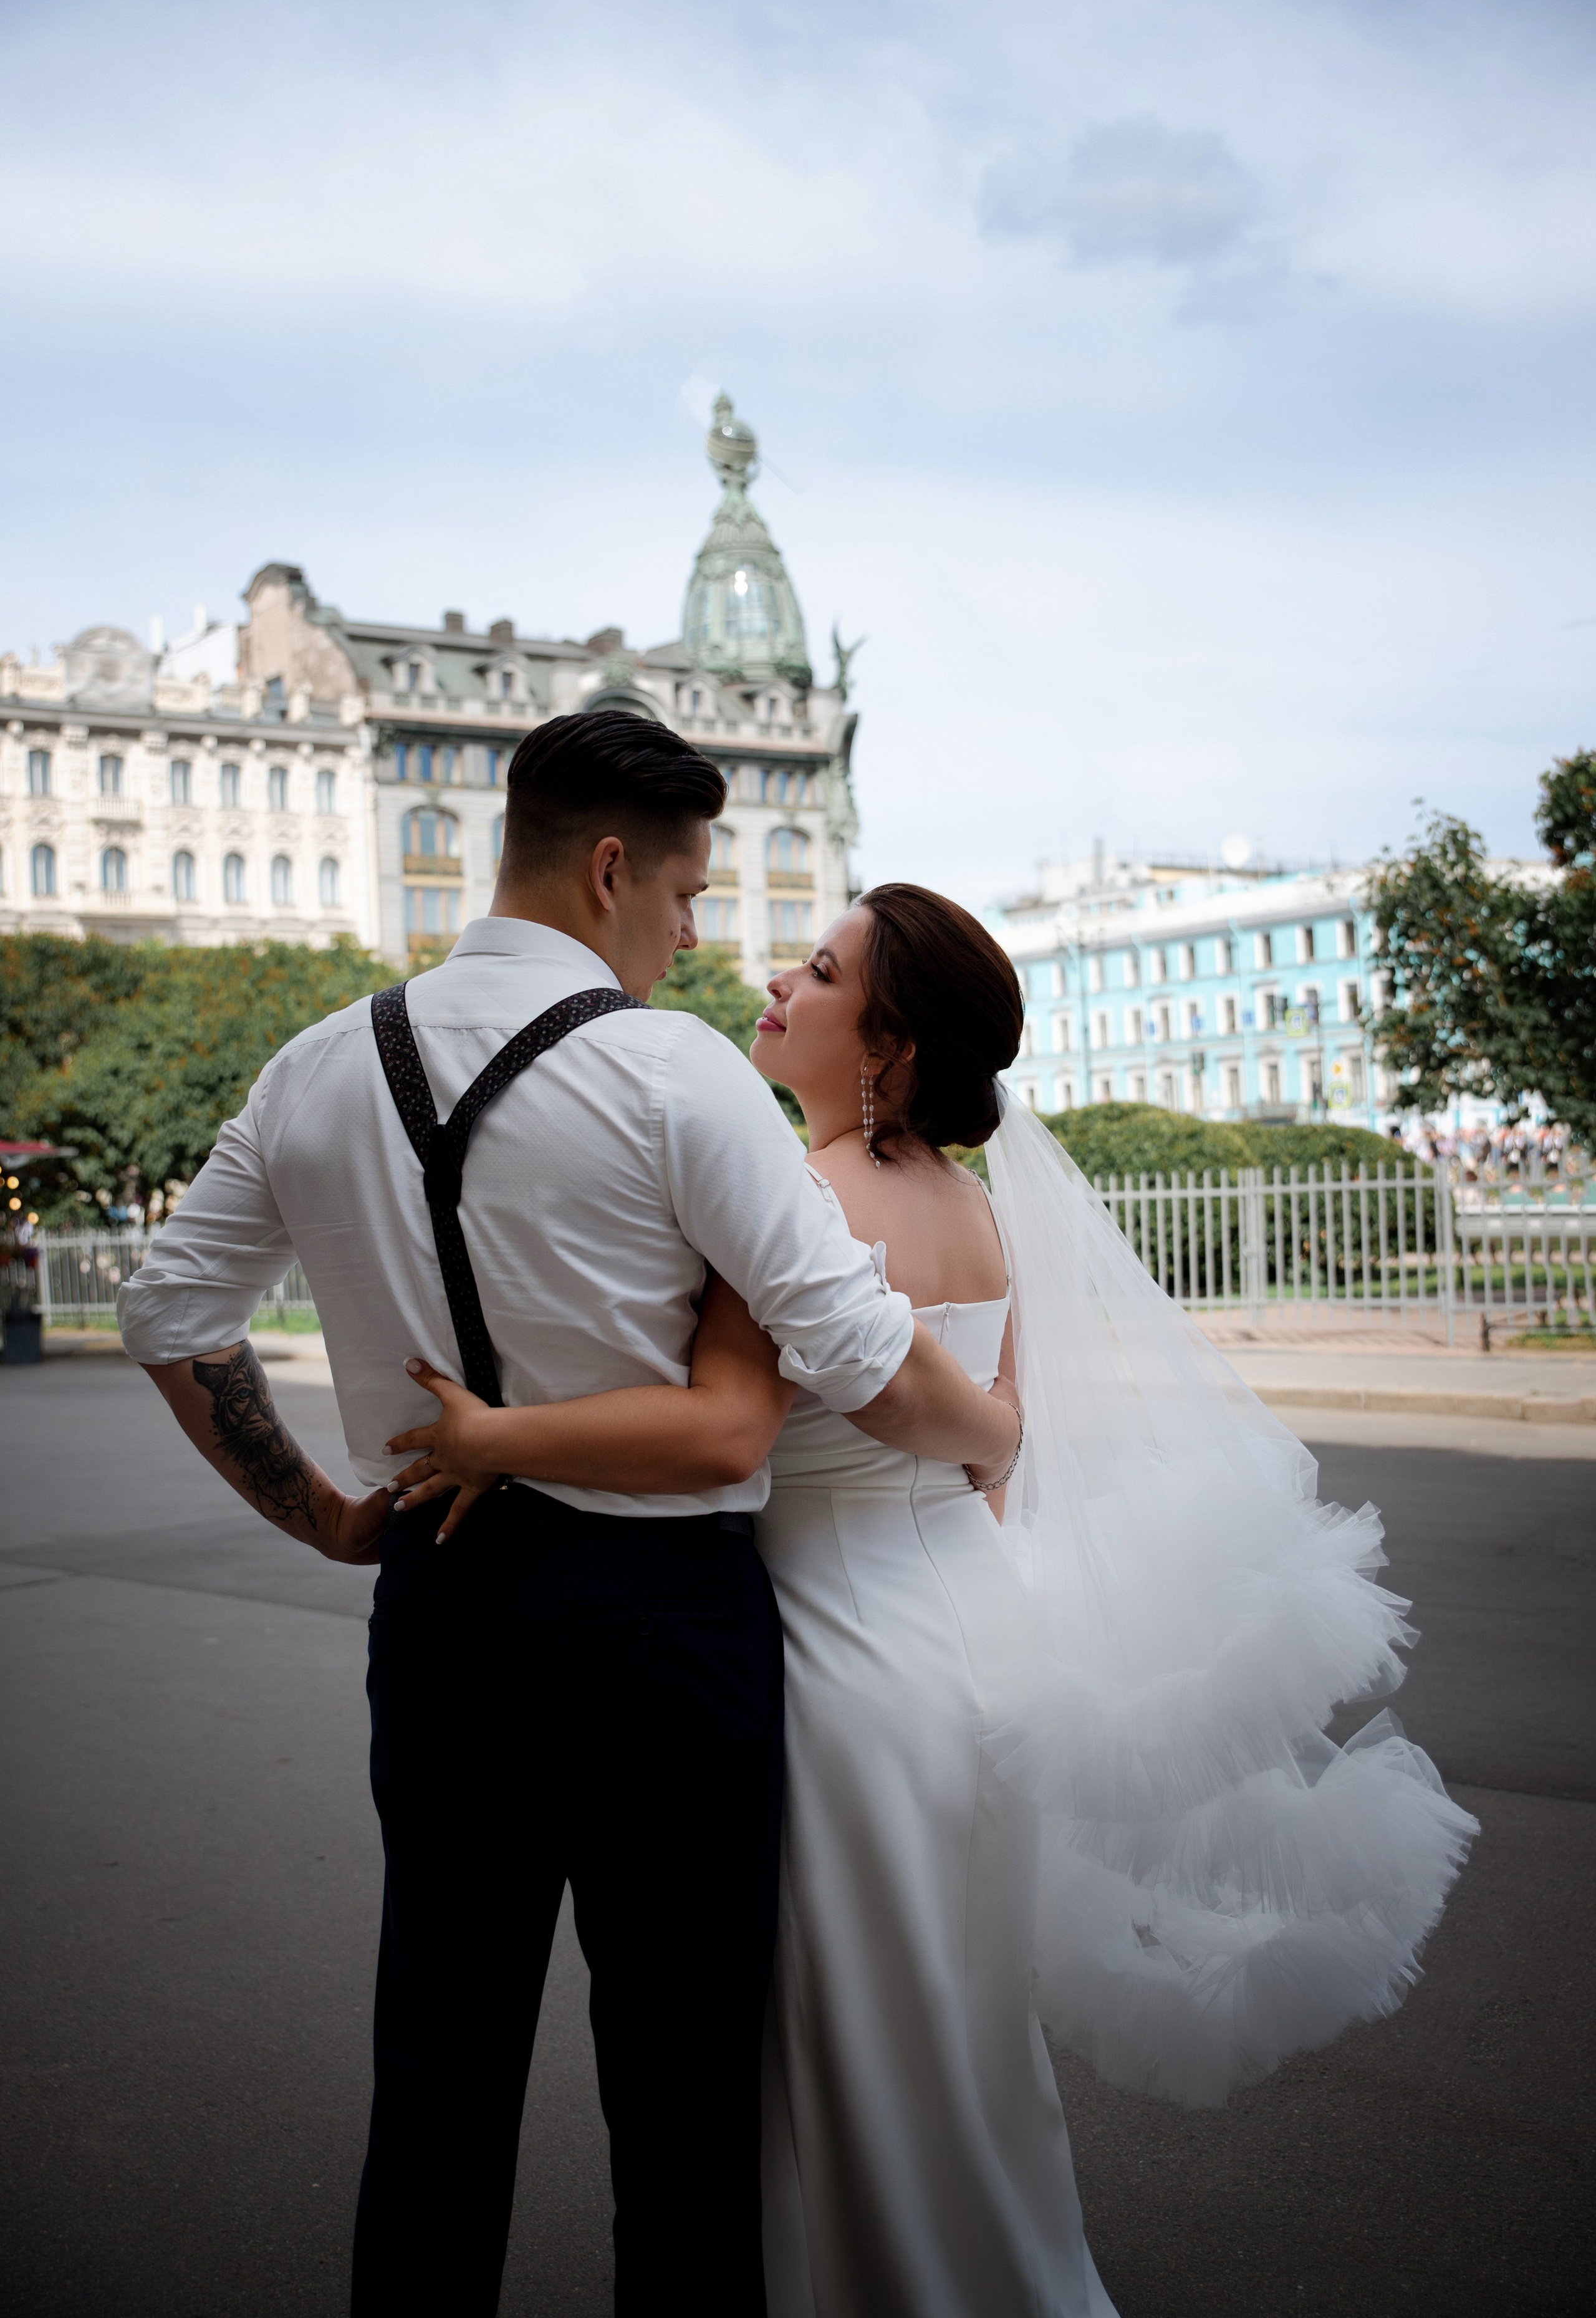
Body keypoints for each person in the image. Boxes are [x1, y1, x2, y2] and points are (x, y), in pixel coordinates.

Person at [400, 882, 1477, 2318]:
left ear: (886, 1046)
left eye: (822, 968)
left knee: (848, 2030)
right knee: (961, 2031)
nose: (779, 976)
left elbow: (718, 1431)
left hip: (841, 1663)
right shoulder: (971, 1205)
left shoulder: (794, 1198)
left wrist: (491, 1436)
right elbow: (1002, 1437)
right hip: (975, 1639)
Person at [116, 712, 1018, 2318]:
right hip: (668, 1634)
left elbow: (169, 1310)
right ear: (611, 870)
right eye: (681, 894)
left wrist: (326, 1517)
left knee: (438, 2075)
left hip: (443, 1607)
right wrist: (995, 1425)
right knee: (680, 2109)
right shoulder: (672, 1071)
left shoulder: (319, 1063)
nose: (690, 933)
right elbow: (866, 1359)